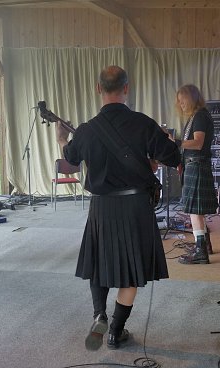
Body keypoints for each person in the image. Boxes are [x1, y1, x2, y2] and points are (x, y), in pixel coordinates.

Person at [56, 66, 181, 350]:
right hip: (135, 206)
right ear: (126, 88)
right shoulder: (143, 124)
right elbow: (173, 157)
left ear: (98, 89)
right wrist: (163, 143)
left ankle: (99, 314)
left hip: (102, 207)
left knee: (98, 263)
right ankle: (115, 331)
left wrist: (61, 137)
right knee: (131, 270)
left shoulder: (86, 130)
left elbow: (71, 159)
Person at [174, 84, 217, 264]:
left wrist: (175, 142)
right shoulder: (196, 116)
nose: (181, 104)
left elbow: (198, 143)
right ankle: (205, 245)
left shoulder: (200, 116)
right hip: (194, 165)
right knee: (197, 210)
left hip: (197, 166)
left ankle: (201, 252)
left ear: (191, 98)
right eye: (179, 101)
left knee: (194, 210)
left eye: (183, 100)